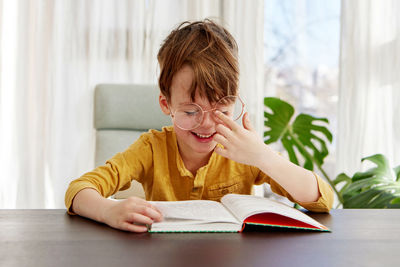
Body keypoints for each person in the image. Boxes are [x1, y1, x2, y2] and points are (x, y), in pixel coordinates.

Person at [65, 19, 333, 233]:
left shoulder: (242, 149)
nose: (206, 124)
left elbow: (321, 200)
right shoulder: (151, 149)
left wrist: (262, 156)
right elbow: (78, 190)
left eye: (222, 110)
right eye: (191, 111)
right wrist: (109, 209)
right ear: (166, 104)